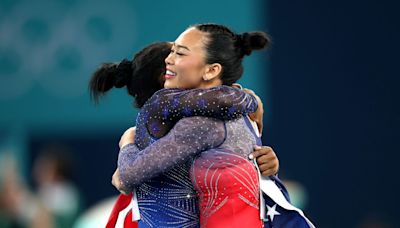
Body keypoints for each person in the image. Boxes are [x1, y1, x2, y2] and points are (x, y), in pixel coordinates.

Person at [112, 23, 296, 227]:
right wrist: (250, 98)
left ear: (211, 70)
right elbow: (124, 178)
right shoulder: (184, 110)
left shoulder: (218, 116)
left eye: (179, 53)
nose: (169, 60)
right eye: (171, 53)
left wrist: (264, 170)